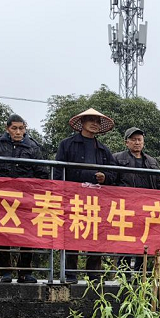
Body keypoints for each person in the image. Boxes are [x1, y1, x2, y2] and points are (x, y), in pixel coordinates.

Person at [54, 108, 117, 283]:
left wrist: (105, 177)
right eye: (91, 120)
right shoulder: (67, 144)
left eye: (97, 121)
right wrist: (60, 193)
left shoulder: (104, 150)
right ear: (82, 123)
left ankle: (94, 275)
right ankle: (70, 273)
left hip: (96, 200)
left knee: (95, 235)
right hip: (72, 197)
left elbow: (114, 174)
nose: (94, 124)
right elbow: (58, 171)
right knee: (72, 233)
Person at [0, 114, 49, 284]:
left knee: (27, 235)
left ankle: (25, 272)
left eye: (21, 128)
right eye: (14, 128)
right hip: (2, 197)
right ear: (7, 128)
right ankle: (5, 272)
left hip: (26, 198)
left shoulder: (33, 147)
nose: (18, 131)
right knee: (2, 234)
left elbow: (42, 173)